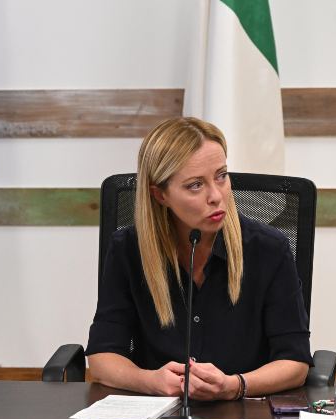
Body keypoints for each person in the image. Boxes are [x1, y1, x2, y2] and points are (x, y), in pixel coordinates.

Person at [86, 117, 312, 400]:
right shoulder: (128, 250)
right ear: (160, 195)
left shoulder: (268, 249)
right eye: (195, 185)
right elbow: (102, 356)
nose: (217, 196)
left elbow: (295, 363)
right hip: (156, 416)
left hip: (245, 416)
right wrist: (151, 381)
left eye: (221, 176)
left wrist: (234, 386)